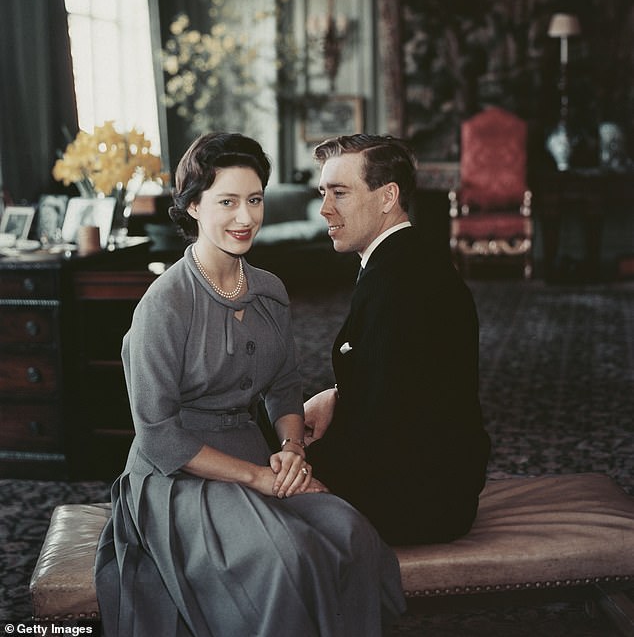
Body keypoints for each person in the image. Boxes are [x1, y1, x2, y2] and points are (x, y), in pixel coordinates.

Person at [94, 132, 406, 637]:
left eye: (255, 199)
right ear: (194, 206)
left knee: (350, 533)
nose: (245, 218)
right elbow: (158, 435)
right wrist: (258, 477)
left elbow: (284, 388)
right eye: (227, 202)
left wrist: (290, 447)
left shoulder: (269, 291)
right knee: (279, 558)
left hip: (254, 455)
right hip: (177, 478)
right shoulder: (163, 304)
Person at [304, 134, 491, 546]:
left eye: (340, 193)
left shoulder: (398, 282)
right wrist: (337, 395)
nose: (324, 209)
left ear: (387, 196)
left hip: (419, 499)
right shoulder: (405, 259)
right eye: (323, 192)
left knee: (247, 502)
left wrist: (301, 464)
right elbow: (406, 384)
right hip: (426, 478)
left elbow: (385, 429)